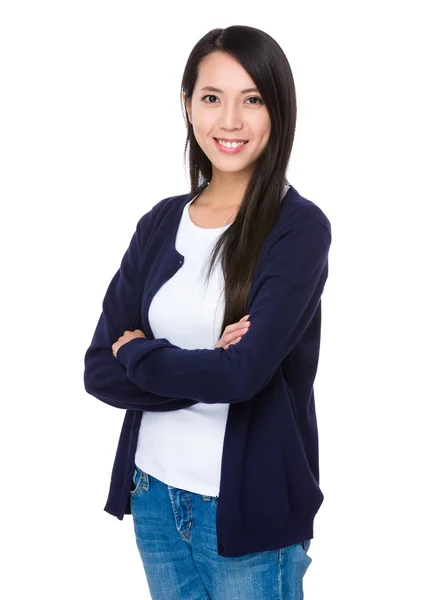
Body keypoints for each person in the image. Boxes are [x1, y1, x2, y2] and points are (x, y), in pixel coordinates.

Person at [84, 24, 332, 600]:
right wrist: (205, 365)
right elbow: (99, 368)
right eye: (212, 98)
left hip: (248, 511)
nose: (230, 122)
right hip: (152, 495)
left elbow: (243, 376)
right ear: (188, 106)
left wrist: (139, 352)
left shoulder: (298, 229)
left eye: (252, 100)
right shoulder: (159, 222)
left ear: (279, 110)